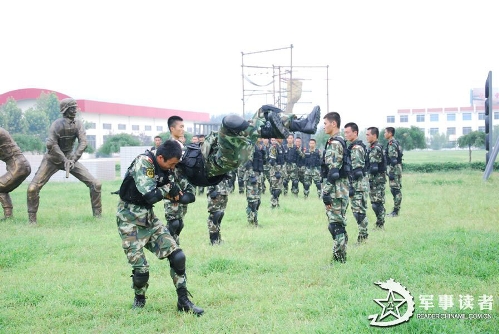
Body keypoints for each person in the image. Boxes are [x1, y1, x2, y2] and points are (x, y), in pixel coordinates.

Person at [116, 140, 203, 315]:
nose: (172, 168)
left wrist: (182, 193)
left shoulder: (167, 168)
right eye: (171, 164)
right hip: (129, 221)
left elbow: (177, 193)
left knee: (178, 256)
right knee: (141, 271)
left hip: (149, 219)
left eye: (175, 165)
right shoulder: (144, 162)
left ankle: (183, 301)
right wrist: (169, 189)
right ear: (161, 157)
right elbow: (150, 196)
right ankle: (139, 299)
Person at [176, 104, 321, 189]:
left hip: (233, 153)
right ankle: (270, 131)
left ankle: (303, 124)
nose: (183, 133)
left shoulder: (186, 148)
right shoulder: (174, 160)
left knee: (264, 110)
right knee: (229, 121)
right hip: (219, 161)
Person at [27, 98, 102, 224]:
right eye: (72, 108)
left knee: (96, 184)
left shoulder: (78, 124)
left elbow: (83, 142)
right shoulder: (56, 124)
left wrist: (72, 159)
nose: (75, 111)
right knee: (32, 189)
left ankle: (98, 216)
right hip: (52, 159)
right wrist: (63, 159)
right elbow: (51, 144)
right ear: (65, 110)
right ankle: (32, 220)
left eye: (75, 108)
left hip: (71, 159)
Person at [321, 112, 349, 263]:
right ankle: (341, 256)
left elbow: (333, 172)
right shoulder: (337, 141)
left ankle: (339, 260)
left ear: (333, 124)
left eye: (325, 123)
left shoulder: (335, 143)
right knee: (337, 224)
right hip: (339, 189)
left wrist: (326, 192)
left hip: (336, 190)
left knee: (336, 226)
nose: (324, 126)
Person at [164, 116, 195, 246]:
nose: (183, 129)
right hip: (173, 187)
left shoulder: (181, 145)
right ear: (172, 128)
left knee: (180, 222)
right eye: (180, 127)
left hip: (183, 186)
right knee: (173, 222)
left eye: (183, 126)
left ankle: (175, 246)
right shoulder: (169, 146)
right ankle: (168, 247)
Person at [344, 122, 369, 243]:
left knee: (359, 212)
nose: (346, 134)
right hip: (357, 184)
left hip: (358, 184)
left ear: (355, 133)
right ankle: (363, 236)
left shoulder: (356, 148)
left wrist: (352, 186)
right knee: (358, 211)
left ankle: (363, 237)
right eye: (345, 132)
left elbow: (357, 170)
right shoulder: (353, 147)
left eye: (348, 132)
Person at [0, 127, 31, 219]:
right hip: (21, 166)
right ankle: (8, 216)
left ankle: (8, 215)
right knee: (2, 189)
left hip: (18, 167)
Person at [366, 127, 387, 229]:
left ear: (374, 135)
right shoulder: (376, 146)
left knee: (377, 203)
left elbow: (374, 168)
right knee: (376, 202)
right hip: (378, 179)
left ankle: (380, 224)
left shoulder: (375, 148)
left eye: (368, 135)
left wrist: (367, 177)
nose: (366, 137)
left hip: (376, 179)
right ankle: (380, 223)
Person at [384, 127, 403, 217]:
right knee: (396, 189)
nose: (384, 134)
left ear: (390, 133)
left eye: (385, 132)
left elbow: (393, 160)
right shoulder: (395, 142)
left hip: (394, 168)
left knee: (395, 190)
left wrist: (391, 172)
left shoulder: (391, 144)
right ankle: (396, 210)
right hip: (397, 168)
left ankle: (395, 211)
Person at [245, 142, 265, 226]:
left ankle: (253, 219)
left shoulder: (259, 147)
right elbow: (247, 161)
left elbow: (263, 162)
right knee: (253, 201)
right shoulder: (250, 145)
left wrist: (263, 154)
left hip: (258, 176)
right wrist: (251, 175)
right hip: (252, 176)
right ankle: (252, 221)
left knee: (257, 200)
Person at [206, 177, 230, 244]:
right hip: (216, 188)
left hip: (221, 188)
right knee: (215, 215)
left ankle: (217, 238)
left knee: (219, 215)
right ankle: (214, 240)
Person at [268, 138, 285, 208]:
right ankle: (273, 204)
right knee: (275, 189)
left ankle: (277, 202)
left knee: (279, 189)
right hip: (275, 171)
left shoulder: (281, 147)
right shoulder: (274, 147)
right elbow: (272, 161)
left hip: (281, 170)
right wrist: (276, 171)